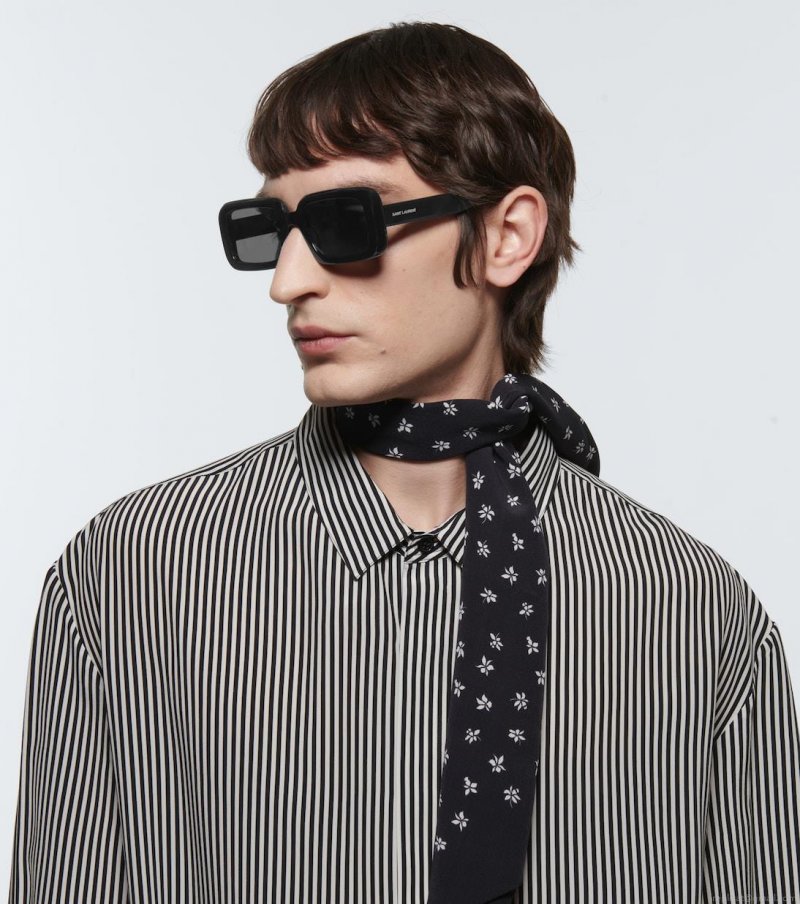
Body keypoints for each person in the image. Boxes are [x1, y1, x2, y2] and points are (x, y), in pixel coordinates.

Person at [8, 20, 800, 904]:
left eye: (346, 222)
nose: (287, 282)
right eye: (270, 230)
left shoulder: (695, 614)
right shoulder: (131, 574)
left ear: (506, 236)